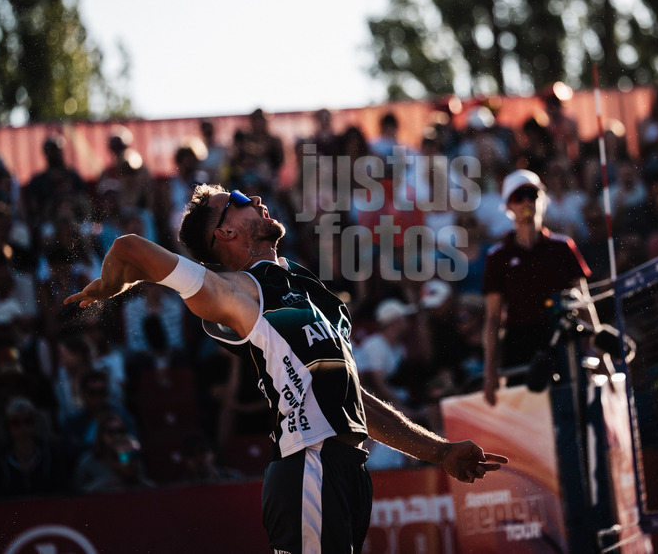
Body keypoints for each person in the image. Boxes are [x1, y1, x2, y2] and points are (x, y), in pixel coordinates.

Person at [65, 184, 506, 553]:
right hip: (309, 462)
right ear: (226, 232)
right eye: (238, 199)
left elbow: (355, 401)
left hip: (346, 467)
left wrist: (440, 452)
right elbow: (128, 247)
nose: (255, 197)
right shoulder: (239, 291)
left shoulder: (302, 287)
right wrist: (112, 282)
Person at [481, 170, 592, 406]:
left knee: (571, 411)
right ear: (508, 205)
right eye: (518, 196)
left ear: (542, 198)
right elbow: (492, 318)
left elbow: (584, 303)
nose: (526, 202)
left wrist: (597, 352)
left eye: (532, 194)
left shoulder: (563, 247)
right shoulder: (497, 256)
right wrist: (489, 371)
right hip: (519, 346)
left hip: (564, 342)